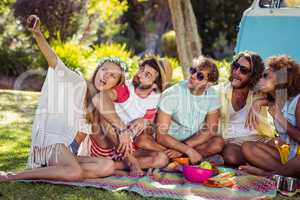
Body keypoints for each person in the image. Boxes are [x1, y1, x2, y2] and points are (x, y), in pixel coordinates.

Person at [0, 15, 127, 182]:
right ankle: (13, 176)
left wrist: (123, 132)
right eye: (105, 70)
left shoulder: (100, 103)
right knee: (75, 173)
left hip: (70, 152)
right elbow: (54, 61)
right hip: (53, 145)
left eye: (112, 76)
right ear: (98, 70)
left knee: (107, 166)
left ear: (114, 84)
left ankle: (56, 171)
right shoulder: (78, 82)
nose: (106, 76)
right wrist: (38, 34)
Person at [79, 57, 173, 176]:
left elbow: (155, 130)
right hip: (106, 144)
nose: (139, 74)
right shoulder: (126, 89)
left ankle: (113, 167)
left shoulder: (155, 100)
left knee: (162, 159)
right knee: (102, 116)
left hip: (127, 148)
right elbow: (99, 98)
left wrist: (147, 122)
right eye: (141, 69)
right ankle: (132, 164)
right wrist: (121, 129)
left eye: (147, 75)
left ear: (155, 85)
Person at [239, 55, 300, 178]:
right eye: (261, 76)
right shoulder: (279, 99)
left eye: (266, 76)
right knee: (247, 147)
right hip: (288, 154)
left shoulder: (298, 101)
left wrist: (281, 119)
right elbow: (273, 101)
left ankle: (267, 175)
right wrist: (258, 102)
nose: (260, 80)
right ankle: (284, 174)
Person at [156, 56, 224, 164]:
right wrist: (187, 150)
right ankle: (189, 158)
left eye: (200, 76)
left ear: (208, 84)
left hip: (191, 142)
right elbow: (161, 136)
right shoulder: (171, 94)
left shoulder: (212, 95)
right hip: (170, 142)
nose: (192, 76)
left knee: (218, 143)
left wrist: (185, 147)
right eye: (193, 70)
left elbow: (211, 128)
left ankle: (180, 158)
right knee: (145, 142)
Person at [216, 51, 275, 166]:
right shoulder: (220, 91)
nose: (236, 72)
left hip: (260, 138)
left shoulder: (259, 92)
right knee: (230, 156)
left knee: (283, 146)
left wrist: (259, 102)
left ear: (253, 75)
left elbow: (282, 97)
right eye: (235, 66)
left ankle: (260, 163)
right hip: (233, 140)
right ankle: (263, 164)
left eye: (243, 70)